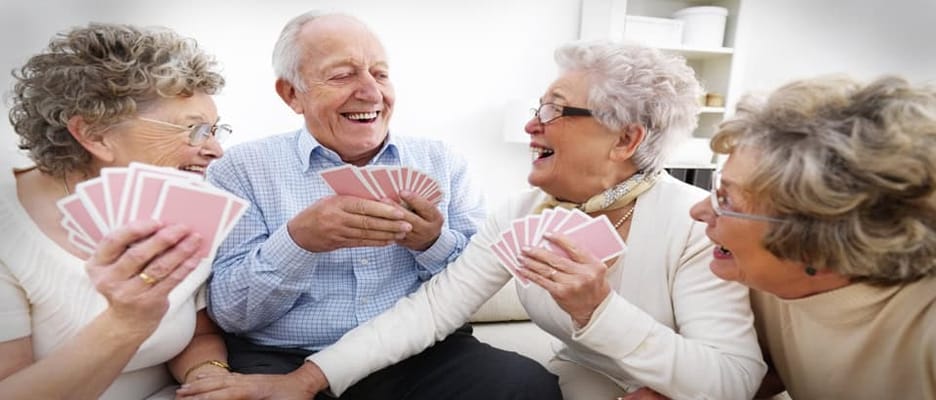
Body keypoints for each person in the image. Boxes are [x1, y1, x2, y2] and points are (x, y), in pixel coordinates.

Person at [181, 40, 766, 399]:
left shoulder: (696, 229)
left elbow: (731, 383)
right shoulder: (525, 212)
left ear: (626, 140)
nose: (532, 125)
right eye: (540, 108)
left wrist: (597, 311)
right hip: (588, 377)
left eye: (554, 111)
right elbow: (434, 308)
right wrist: (303, 382)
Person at [196, 11, 562, 400]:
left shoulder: (442, 162)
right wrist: (298, 242)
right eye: (342, 75)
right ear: (291, 94)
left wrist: (432, 242)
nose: (371, 92)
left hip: (418, 353)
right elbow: (232, 313)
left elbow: (479, 284)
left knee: (526, 386)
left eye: (380, 74)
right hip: (285, 356)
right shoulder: (238, 170)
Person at [0, 23, 237, 399]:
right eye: (193, 130)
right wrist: (125, 323)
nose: (214, 151)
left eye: (214, 131)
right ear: (94, 134)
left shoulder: (191, 201)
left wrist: (207, 374)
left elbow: (198, 329)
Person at [689, 75, 936, 399]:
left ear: (818, 247)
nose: (698, 210)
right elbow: (760, 375)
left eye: (727, 199)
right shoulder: (759, 281)